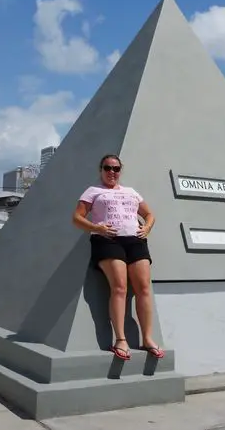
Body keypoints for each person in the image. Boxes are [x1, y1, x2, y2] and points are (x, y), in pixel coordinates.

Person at [72, 154, 165, 360]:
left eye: (116, 168)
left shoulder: (131, 192)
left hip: (135, 241)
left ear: (120, 171)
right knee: (120, 288)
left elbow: (150, 214)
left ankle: (147, 338)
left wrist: (147, 228)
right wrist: (96, 227)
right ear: (101, 170)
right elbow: (77, 218)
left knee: (143, 288)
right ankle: (121, 339)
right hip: (107, 241)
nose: (112, 172)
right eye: (107, 168)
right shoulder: (93, 191)